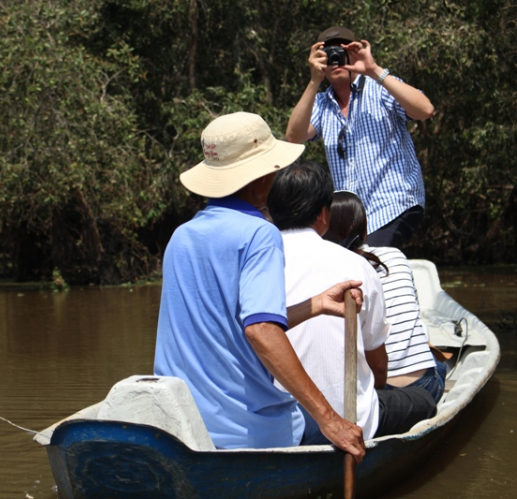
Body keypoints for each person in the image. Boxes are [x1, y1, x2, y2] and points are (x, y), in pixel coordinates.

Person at [153, 112, 366, 462]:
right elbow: (261, 330)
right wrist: (330, 421)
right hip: (244, 432)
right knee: (345, 428)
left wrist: (316, 304)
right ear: (264, 174)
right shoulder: (259, 234)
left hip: (179, 426)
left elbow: (234, 328)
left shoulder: (182, 236)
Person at [267, 160, 437, 440]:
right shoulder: (355, 265)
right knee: (423, 400)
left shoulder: (254, 264)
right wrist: (376, 389)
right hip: (349, 418)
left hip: (279, 422)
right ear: (324, 215)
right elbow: (378, 365)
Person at [286, 26, 434, 250]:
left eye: (342, 53)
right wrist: (313, 80)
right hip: (350, 216)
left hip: (394, 204)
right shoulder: (321, 103)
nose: (336, 61)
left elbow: (425, 110)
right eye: (328, 56)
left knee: (368, 258)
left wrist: (373, 69)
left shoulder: (381, 88)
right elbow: (294, 138)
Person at [324, 190, 447, 403]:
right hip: (421, 385)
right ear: (365, 228)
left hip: (375, 385)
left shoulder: (329, 270)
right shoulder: (395, 256)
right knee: (441, 366)